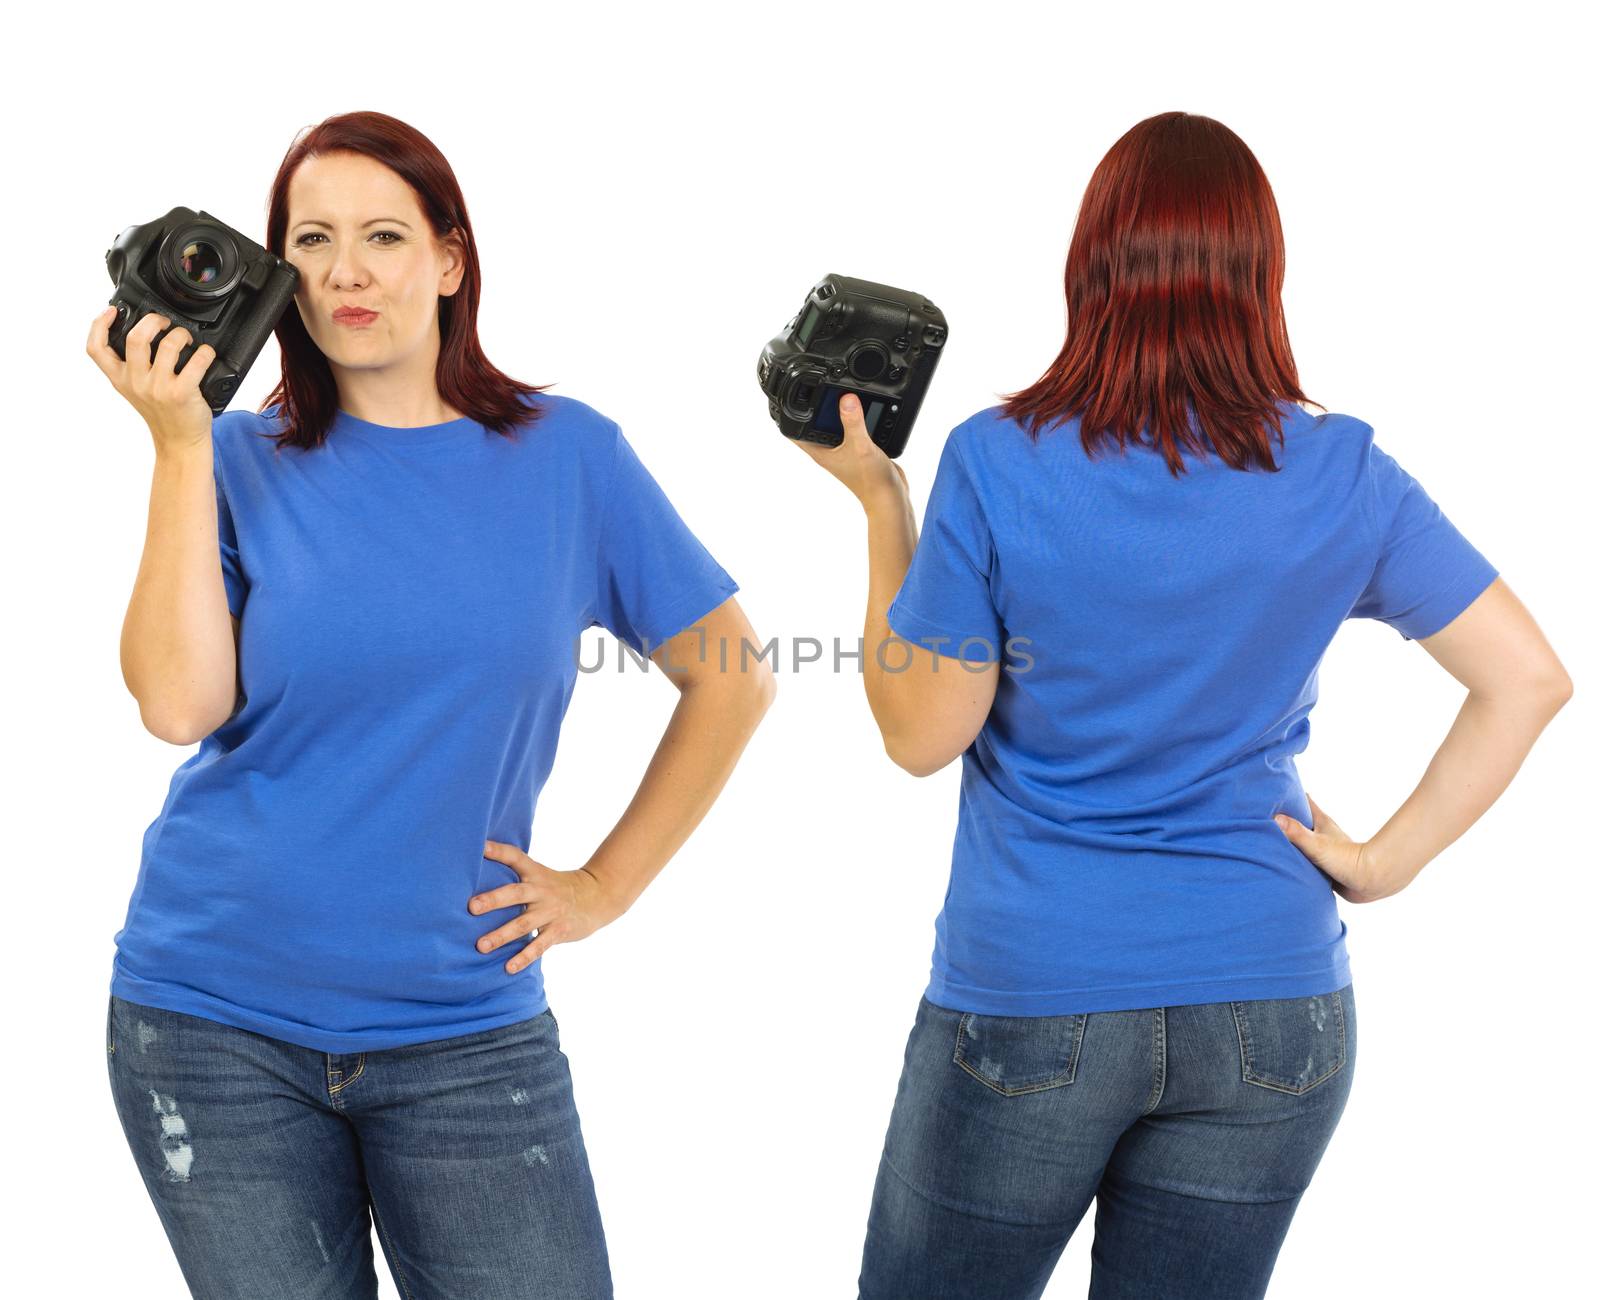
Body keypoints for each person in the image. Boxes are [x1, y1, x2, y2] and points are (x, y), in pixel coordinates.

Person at [793, 111, 1572, 1300]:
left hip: (1035, 1002)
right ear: (1258, 274)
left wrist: (882, 511)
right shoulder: (1343, 472)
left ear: (1091, 265)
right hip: (1271, 1006)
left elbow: (919, 734)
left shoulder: (999, 461)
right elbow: (1526, 677)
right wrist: (1380, 863)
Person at [86, 110, 775, 1299]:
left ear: (450, 259)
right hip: (211, 1021)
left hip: (463, 1025)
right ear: (275, 270)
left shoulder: (571, 458)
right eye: (311, 238)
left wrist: (604, 885)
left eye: (384, 236)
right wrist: (180, 448)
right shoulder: (237, 459)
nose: (346, 270)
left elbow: (735, 674)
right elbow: (177, 704)